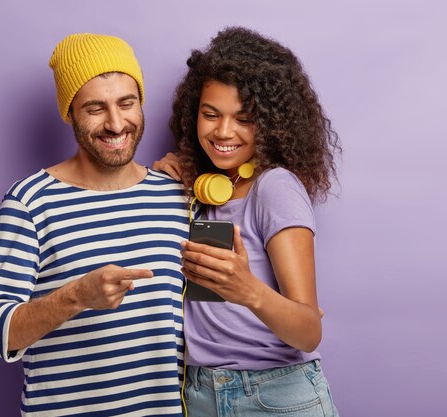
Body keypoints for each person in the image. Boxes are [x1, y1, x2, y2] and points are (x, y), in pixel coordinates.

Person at [0, 33, 189, 417]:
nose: (116, 123)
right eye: (95, 108)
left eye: (127, 102)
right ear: (69, 113)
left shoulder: (177, 194)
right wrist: (75, 296)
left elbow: (213, 310)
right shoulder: (30, 201)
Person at [162, 26, 341, 416]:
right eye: (211, 114)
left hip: (273, 394)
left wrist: (248, 290)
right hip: (202, 394)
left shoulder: (274, 188)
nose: (223, 131)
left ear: (271, 123)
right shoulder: (202, 191)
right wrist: (165, 178)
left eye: (243, 118)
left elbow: (309, 331)